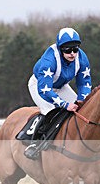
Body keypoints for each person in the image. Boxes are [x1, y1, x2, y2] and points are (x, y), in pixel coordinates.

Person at [23, 27, 92, 160]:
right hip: (40, 87)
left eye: (75, 49)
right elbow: (45, 91)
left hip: (61, 86)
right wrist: (65, 105)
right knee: (51, 111)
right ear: (60, 49)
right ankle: (35, 144)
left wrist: (82, 99)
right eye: (68, 50)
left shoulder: (82, 58)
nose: (72, 53)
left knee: (83, 110)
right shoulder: (49, 61)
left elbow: (84, 83)